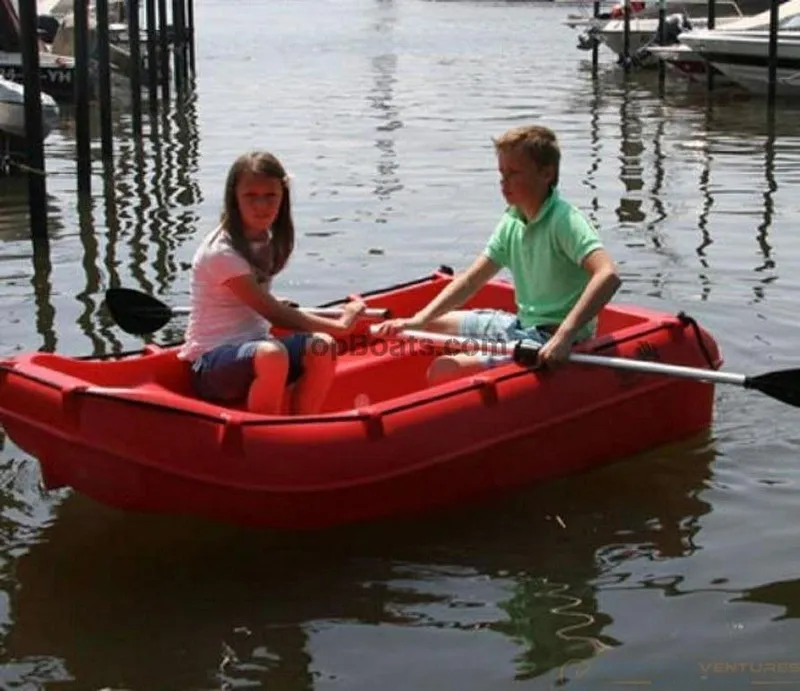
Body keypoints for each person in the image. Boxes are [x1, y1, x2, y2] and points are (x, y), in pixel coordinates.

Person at [374, 124, 621, 385]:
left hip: (550, 338)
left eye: (514, 173)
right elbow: (471, 280)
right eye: (502, 173)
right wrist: (420, 319)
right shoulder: (512, 220)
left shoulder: (565, 221)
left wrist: (565, 336)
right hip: (520, 325)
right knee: (430, 325)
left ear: (546, 173)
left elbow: (608, 275)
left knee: (444, 369)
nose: (504, 182)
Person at [177, 151, 366, 415]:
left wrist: (269, 302)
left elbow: (259, 304)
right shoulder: (221, 252)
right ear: (234, 198)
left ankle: (302, 425)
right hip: (210, 365)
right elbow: (273, 314)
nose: (261, 206)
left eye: (270, 196)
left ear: (282, 196)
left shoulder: (263, 238)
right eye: (250, 196)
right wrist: (342, 325)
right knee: (273, 354)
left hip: (257, 347)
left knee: (322, 345)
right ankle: (262, 435)